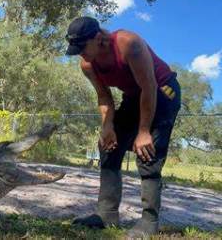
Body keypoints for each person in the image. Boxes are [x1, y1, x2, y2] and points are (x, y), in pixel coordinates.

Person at [66, 17, 181, 238]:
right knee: (108, 145)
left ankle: (149, 220)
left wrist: (144, 131)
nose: (80, 53)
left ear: (98, 38)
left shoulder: (129, 44)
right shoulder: (87, 65)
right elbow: (104, 97)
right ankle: (106, 213)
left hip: (163, 92)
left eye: (82, 47)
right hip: (134, 96)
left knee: (147, 152)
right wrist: (107, 126)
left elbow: (149, 87)